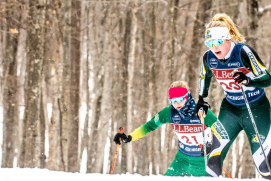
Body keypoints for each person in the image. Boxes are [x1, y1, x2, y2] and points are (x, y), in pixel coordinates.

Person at [194, 13, 271, 179]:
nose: (214, 48)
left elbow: (267, 79)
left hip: (256, 108)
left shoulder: (243, 51)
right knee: (213, 159)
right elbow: (204, 77)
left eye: (218, 42)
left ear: (228, 39)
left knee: (265, 165)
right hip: (230, 109)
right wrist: (201, 100)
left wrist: (249, 80)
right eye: (210, 43)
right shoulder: (208, 58)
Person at [114, 81, 217, 176]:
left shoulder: (202, 112)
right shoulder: (169, 112)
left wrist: (213, 146)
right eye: (172, 100)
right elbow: (149, 126)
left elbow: (223, 134)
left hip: (202, 161)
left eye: (179, 99)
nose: (176, 104)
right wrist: (130, 137)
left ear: (187, 96)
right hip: (181, 160)